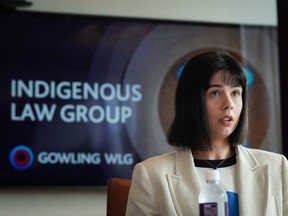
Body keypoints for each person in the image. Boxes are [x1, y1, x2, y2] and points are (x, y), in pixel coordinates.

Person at [125, 50, 288, 216]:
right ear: (192, 101)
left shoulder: (277, 167)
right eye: (215, 93)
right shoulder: (152, 175)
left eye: (235, 93)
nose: (229, 104)